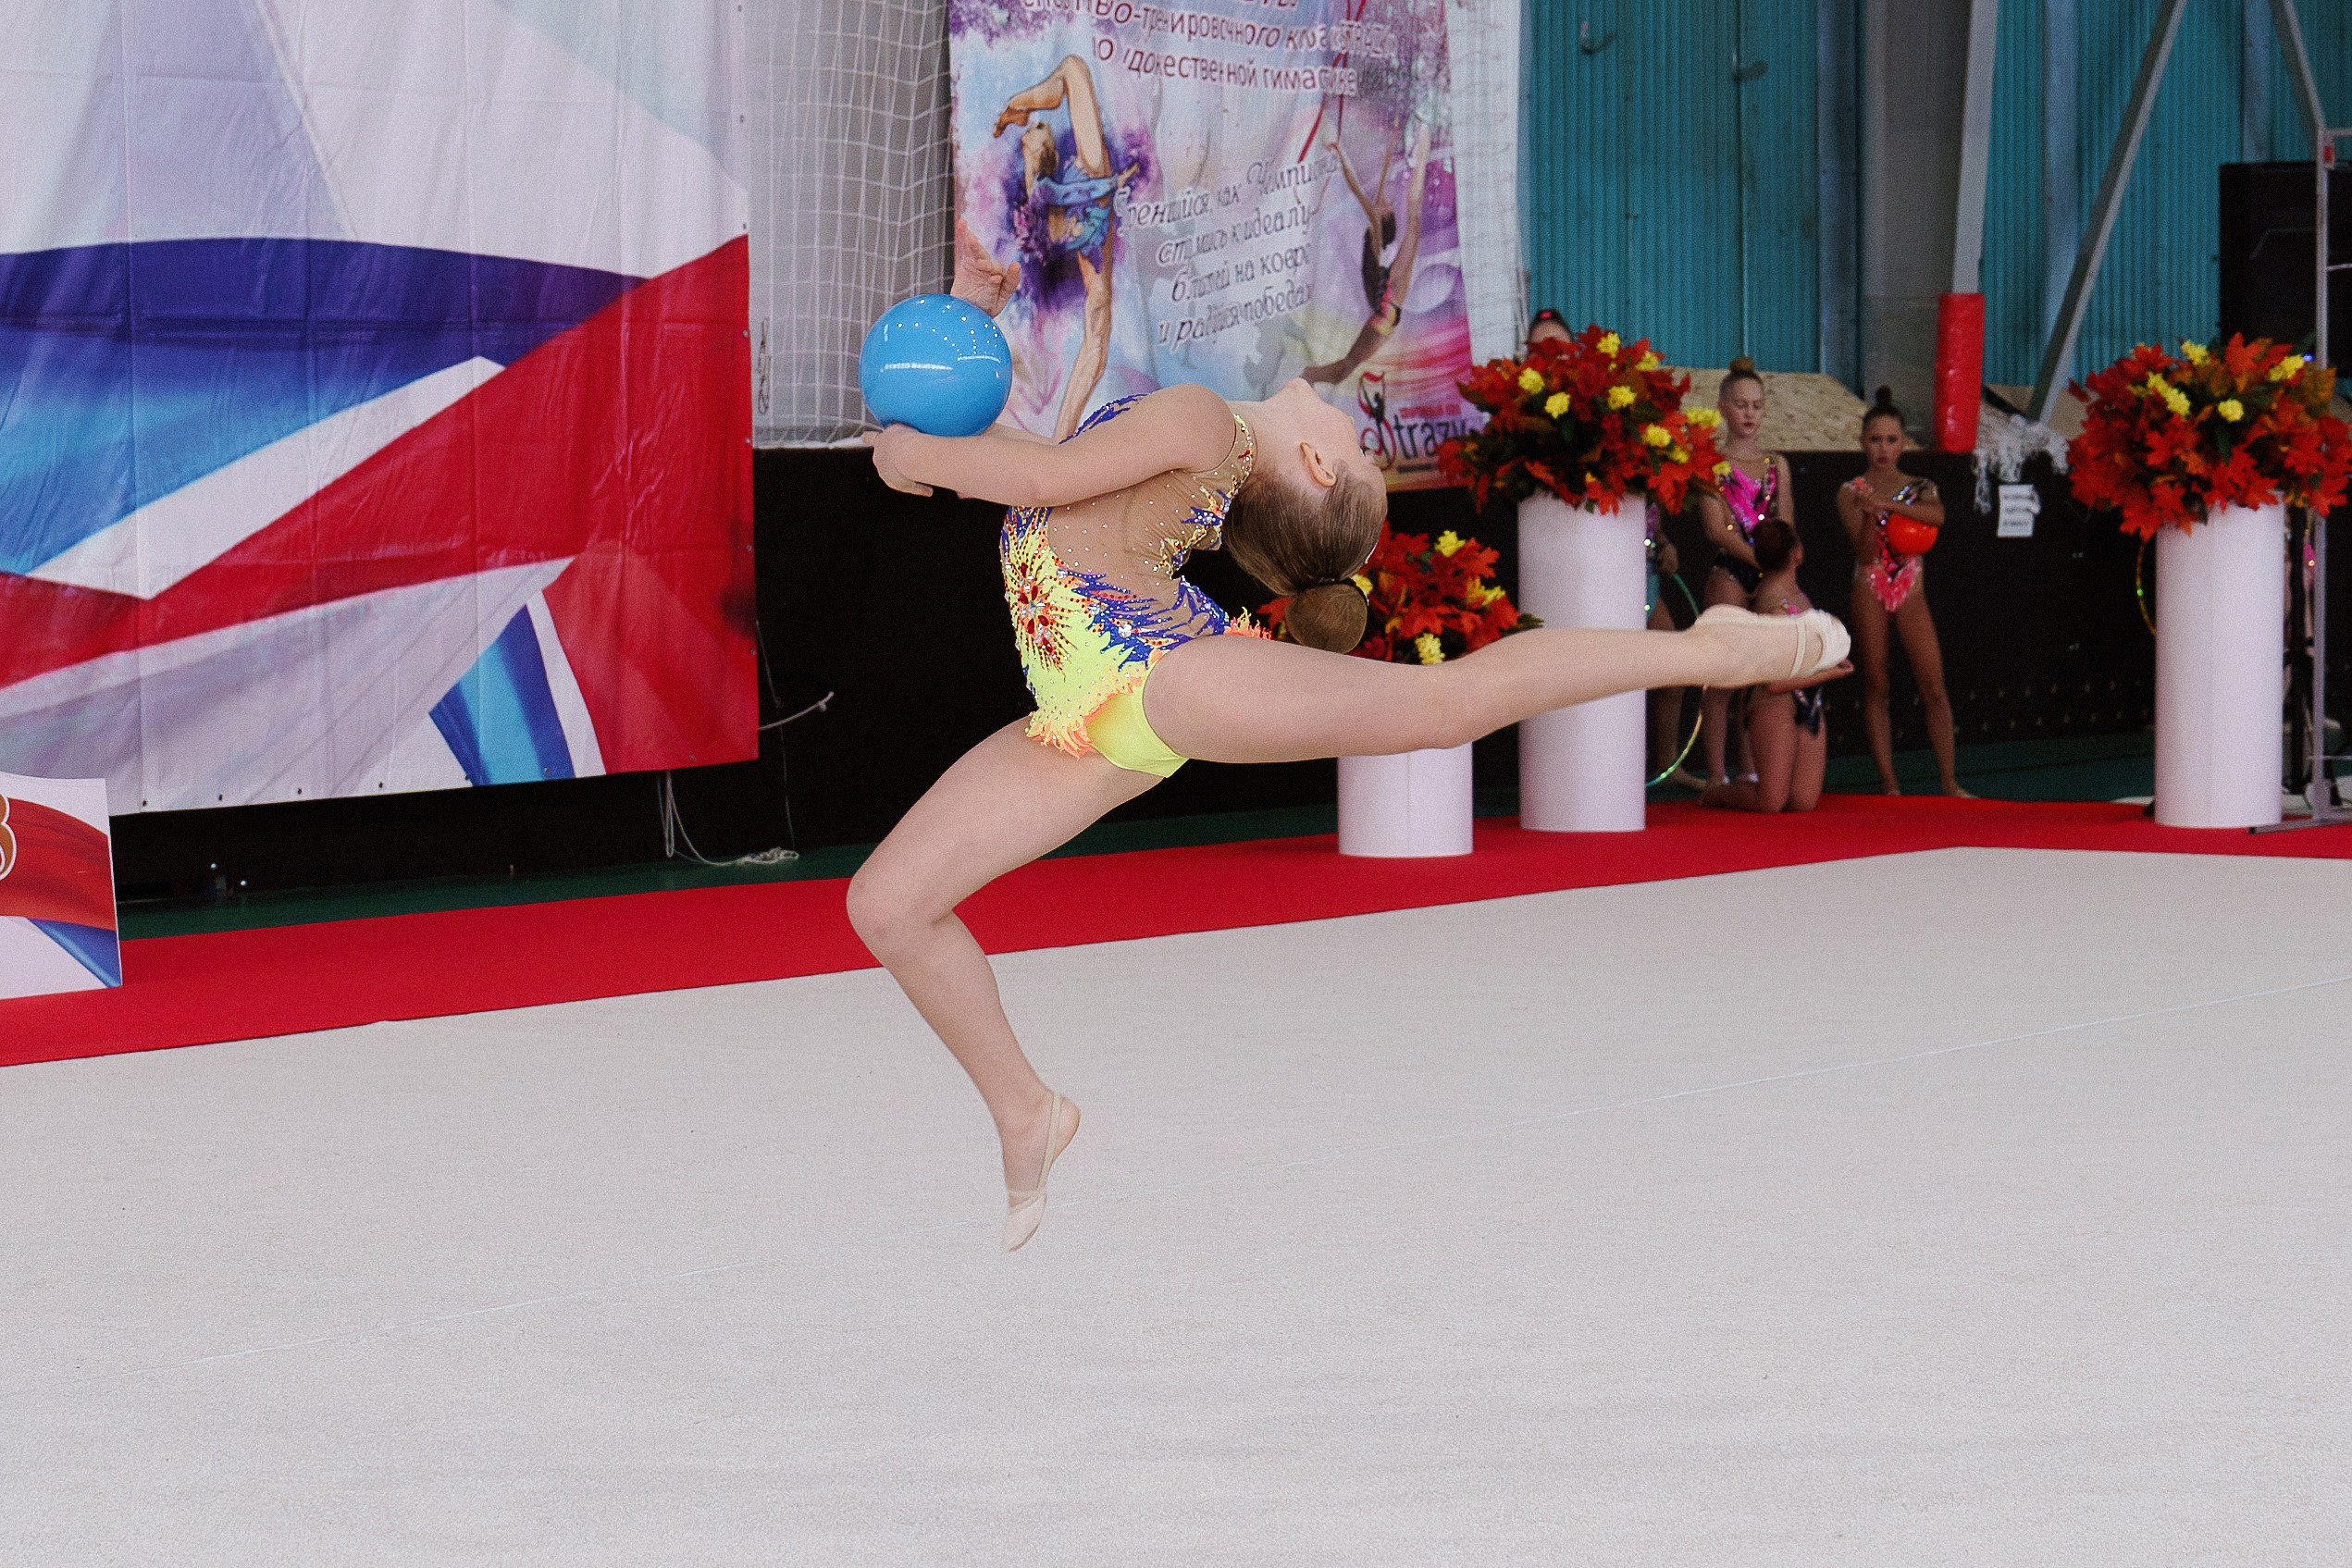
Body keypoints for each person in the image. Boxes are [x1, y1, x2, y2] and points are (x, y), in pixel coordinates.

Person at [853, 262, 1853, 1252]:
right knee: (889, 906)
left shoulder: (1205, 421)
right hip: (1073, 720)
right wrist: (967, 337)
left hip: (1165, 673)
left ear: (1320, 470)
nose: (1354, 427)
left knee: (1442, 706)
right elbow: (1028, 461)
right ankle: (1026, 1110)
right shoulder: (1181, 426)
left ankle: (1708, 648)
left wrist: (916, 454)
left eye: (1358, 448)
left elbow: (1033, 477)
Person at [1529, 312, 1694, 785]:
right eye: (1540, 350)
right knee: (1597, 678)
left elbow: (1638, 500)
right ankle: (1593, 772)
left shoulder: (1600, 408)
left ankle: (1664, 764)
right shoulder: (1524, 421)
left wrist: (1663, 542)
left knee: (1672, 666)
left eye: (1559, 349)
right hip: (1574, 578)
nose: (1551, 359)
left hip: (1638, 572)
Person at [994, 56, 1133, 441]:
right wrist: (1107, 183)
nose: (1045, 130)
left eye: (1040, 127)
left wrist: (1015, 112)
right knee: (1072, 68)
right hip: (1085, 209)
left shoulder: (1046, 178)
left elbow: (1061, 194)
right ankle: (1059, 439)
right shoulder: (1048, 180)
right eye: (1038, 129)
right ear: (1032, 146)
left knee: (1098, 323)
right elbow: (1062, 192)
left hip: (1086, 227)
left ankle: (1060, 437)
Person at [1838, 389, 1966, 796]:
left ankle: (1948, 780)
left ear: (1904, 444)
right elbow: (1863, 551)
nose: (1883, 448)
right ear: (1862, 442)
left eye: (1892, 440)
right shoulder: (1851, 491)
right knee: (1877, 683)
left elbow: (1937, 516)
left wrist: (1889, 506)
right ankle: (1889, 784)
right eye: (1875, 440)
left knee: (1933, 684)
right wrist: (1867, 514)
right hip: (1870, 584)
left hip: (1910, 588)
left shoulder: (1921, 485)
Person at [1692, 358, 1794, 788]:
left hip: (1769, 573)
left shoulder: (1777, 464)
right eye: (1740, 405)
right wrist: (1759, 561)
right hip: (1733, 571)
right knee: (1723, 677)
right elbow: (1716, 528)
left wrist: (1782, 571)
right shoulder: (1711, 463)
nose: (1749, 413)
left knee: (1759, 676)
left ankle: (1753, 766)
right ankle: (1717, 773)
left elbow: (1786, 526)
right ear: (1722, 408)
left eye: (1756, 405)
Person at [1702, 520, 1851, 813]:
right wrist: (1832, 672)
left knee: (1803, 802)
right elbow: (1773, 683)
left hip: (1809, 700)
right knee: (1770, 802)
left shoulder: (1797, 598)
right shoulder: (1770, 606)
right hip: (1774, 702)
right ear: (1797, 553)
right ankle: (1719, 793)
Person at [1303, 121, 1431, 387]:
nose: (1385, 200)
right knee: (1343, 370)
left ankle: (1309, 376)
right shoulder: (1377, 239)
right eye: (1384, 202)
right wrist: (1340, 153)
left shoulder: (1392, 248)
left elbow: (1411, 214)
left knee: (1344, 370)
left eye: (1385, 201)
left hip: (1390, 316)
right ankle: (1307, 376)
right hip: (1384, 318)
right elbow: (1359, 191)